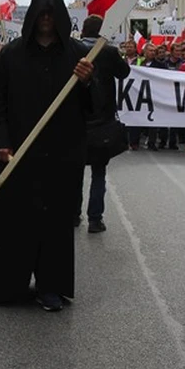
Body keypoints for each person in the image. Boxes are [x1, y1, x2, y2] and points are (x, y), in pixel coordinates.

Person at [0, 0, 95, 312]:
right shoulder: (12, 54)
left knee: (56, 225)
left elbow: (96, 105)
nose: (46, 20)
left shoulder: (79, 56)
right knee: (13, 224)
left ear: (58, 16)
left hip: (61, 156)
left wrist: (89, 83)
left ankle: (51, 287)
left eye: (51, 14)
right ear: (34, 17)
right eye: (41, 14)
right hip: (18, 155)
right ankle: (8, 286)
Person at [76, 14, 129, 233]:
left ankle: (73, 214)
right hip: (103, 121)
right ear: (101, 32)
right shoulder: (107, 51)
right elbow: (124, 72)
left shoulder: (74, 49)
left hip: (77, 119)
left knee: (75, 171)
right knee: (99, 172)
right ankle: (95, 219)